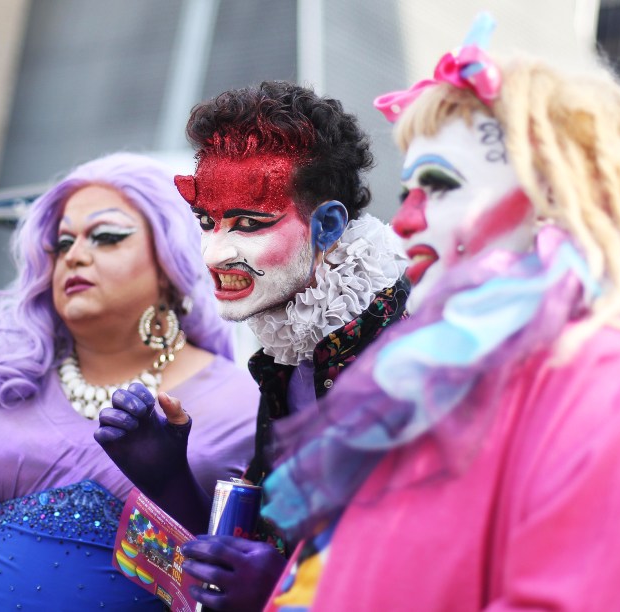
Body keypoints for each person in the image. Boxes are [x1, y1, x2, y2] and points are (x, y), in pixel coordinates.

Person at [258, 14, 620, 611]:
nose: (405, 221)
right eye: (407, 194)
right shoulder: (434, 386)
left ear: (556, 200)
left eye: (441, 185)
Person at [95, 81, 409, 611]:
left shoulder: (412, 350)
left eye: (249, 223)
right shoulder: (291, 353)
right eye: (206, 222)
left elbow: (439, 562)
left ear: (328, 226)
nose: (216, 252)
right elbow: (241, 563)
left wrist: (293, 584)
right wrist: (168, 475)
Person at [0, 152, 259, 611]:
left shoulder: (245, 405)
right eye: (61, 243)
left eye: (107, 236)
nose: (74, 255)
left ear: (171, 264)